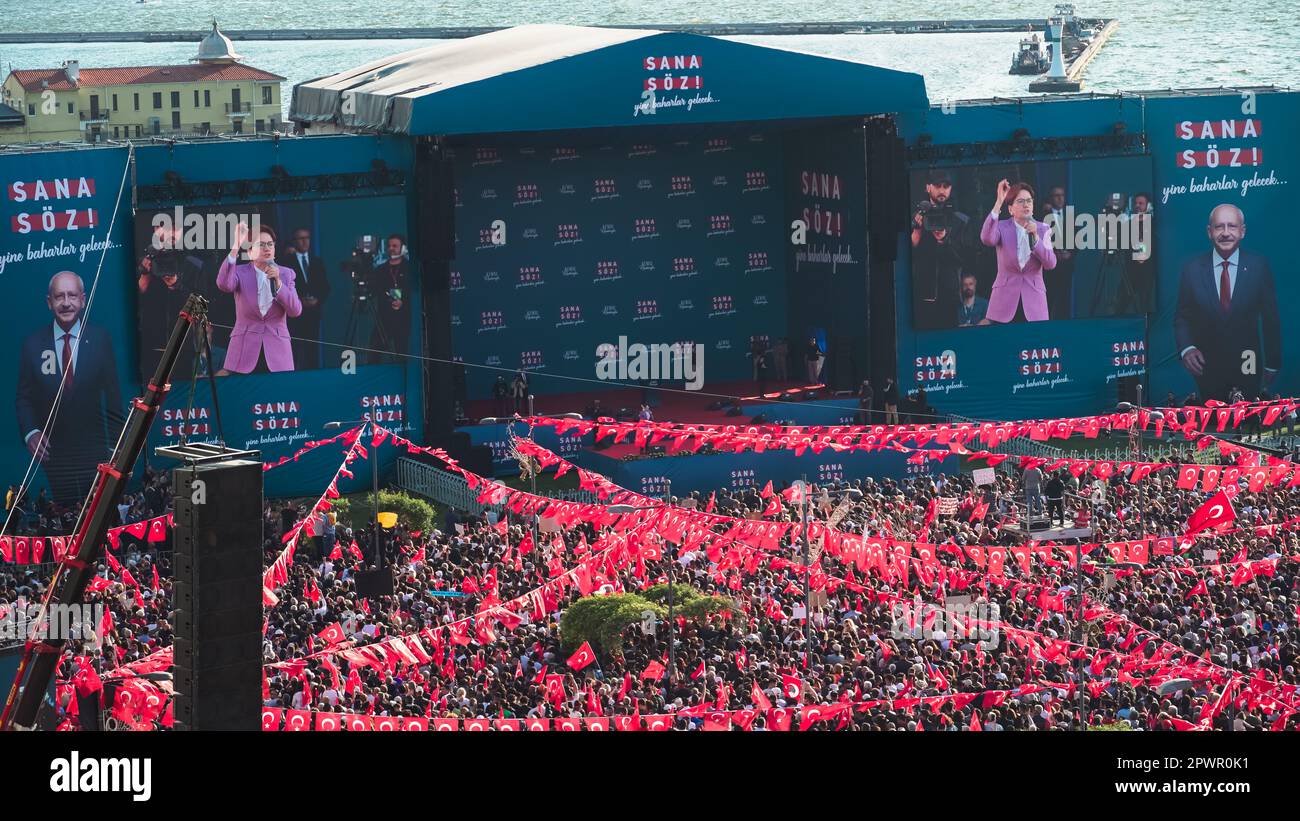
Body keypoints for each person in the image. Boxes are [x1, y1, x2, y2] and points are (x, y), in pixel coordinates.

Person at [16, 271, 124, 505]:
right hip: (52, 457)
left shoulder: (100, 339)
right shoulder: (32, 345)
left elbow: (114, 397)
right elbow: (24, 398)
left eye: (72, 296)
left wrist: (118, 447)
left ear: (83, 300)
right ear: (49, 302)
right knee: (61, 516)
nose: (66, 303)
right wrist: (31, 432)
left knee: (96, 513)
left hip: (95, 453)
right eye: (59, 296)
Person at [1174, 203, 1279, 401]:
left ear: (1242, 231)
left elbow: (1270, 318)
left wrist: (1273, 362)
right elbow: (1182, 317)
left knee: (1247, 424)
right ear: (1209, 231)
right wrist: (1187, 348)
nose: (1225, 232)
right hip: (1206, 369)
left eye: (1231, 226)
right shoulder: (1192, 269)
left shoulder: (1259, 266)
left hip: (1248, 364)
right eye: (1218, 226)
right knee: (1214, 426)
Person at [216, 223, 302, 374]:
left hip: (278, 354)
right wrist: (235, 247)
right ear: (250, 252)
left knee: (278, 396)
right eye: (261, 244)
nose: (267, 248)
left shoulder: (286, 274)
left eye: (270, 244)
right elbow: (224, 285)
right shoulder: (239, 273)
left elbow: (295, 311)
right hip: (244, 352)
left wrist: (279, 283)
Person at [980, 180, 1057, 323]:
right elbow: (987, 239)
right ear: (1010, 209)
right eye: (1020, 201)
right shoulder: (1002, 227)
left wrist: (1035, 239)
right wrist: (998, 203)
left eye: (1029, 201)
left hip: (1034, 303)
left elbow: (1050, 263)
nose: (1026, 204)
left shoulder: (1043, 228)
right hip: (1004, 301)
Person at [279, 227, 331, 370]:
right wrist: (297, 300)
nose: (304, 242)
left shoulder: (316, 261)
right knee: (294, 348)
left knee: (312, 349)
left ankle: (313, 378)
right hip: (294, 314)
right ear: (294, 242)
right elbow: (280, 287)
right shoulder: (286, 261)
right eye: (300, 239)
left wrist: (317, 300)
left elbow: (325, 286)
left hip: (313, 313)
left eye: (307, 238)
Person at [364, 234, 412, 364]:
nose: (391, 248)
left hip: (403, 319)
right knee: (373, 351)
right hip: (384, 320)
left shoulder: (410, 269)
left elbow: (413, 292)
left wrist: (403, 302)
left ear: (403, 248)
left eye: (395, 246)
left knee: (402, 356)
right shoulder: (380, 270)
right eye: (389, 246)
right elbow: (373, 291)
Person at [1038, 185, 1075, 318]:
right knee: (1049, 298)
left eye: (1062, 195)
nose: (1060, 199)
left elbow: (1078, 238)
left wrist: (1071, 253)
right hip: (1050, 267)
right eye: (1056, 196)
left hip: (1067, 266)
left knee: (1065, 299)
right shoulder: (1043, 215)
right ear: (1051, 198)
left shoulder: (1071, 216)